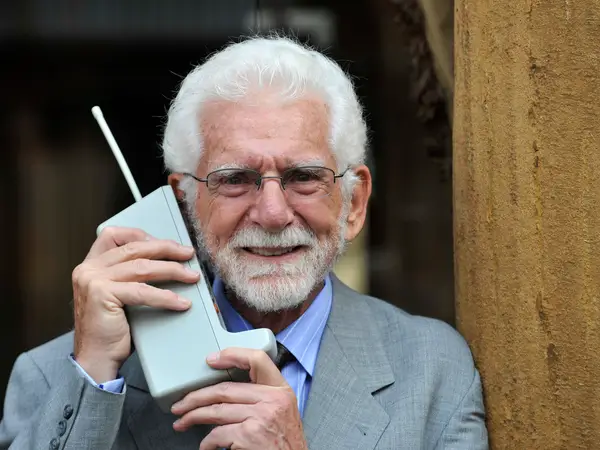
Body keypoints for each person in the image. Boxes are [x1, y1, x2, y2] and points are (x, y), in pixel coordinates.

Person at [0, 35, 488, 449]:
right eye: (235, 179)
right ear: (186, 205)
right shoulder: (56, 377)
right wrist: (95, 374)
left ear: (354, 203)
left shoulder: (433, 370)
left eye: (303, 176)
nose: (273, 214)